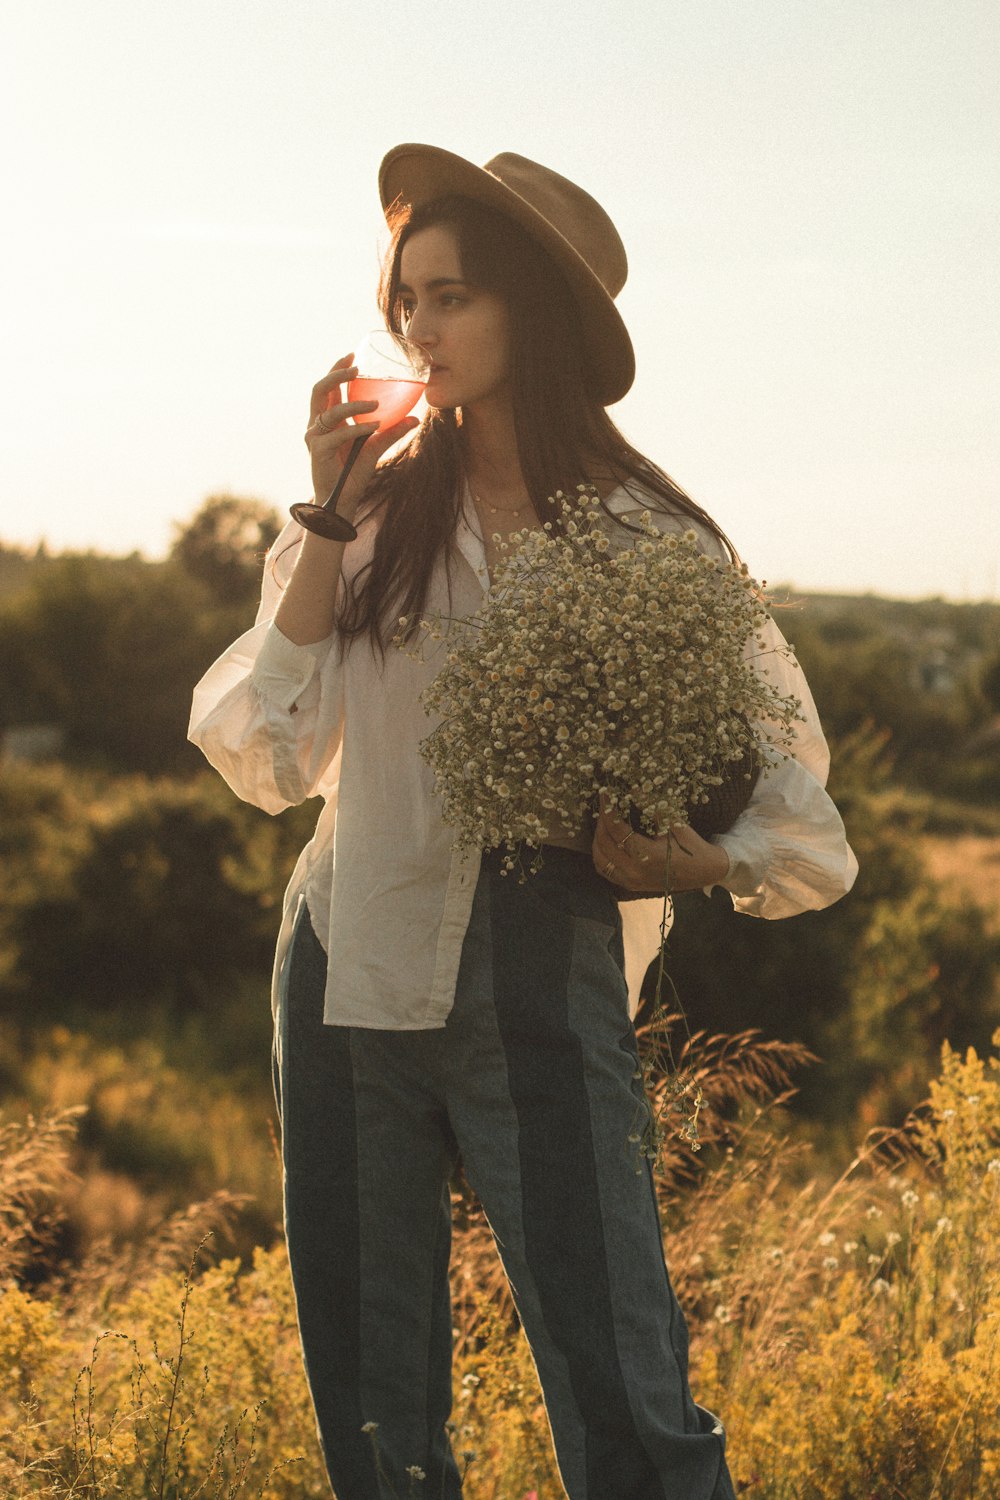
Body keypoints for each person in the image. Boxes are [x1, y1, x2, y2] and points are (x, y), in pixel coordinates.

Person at [189, 144, 858, 1500]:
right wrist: (321, 506)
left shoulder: (653, 539)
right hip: (345, 964)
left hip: (542, 978)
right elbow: (266, 749)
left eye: (453, 300)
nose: (419, 332)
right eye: (407, 302)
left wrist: (695, 862)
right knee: (378, 1425)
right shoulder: (364, 510)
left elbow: (800, 824)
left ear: (532, 316)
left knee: (626, 1400)